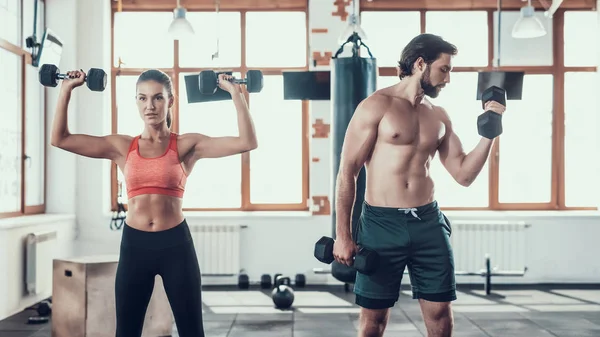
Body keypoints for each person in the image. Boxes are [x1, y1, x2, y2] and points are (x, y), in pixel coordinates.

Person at [50, 69, 258, 337]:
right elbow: (60, 139)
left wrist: (235, 92)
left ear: (170, 101)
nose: (150, 106)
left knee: (192, 331)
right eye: (143, 98)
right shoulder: (122, 146)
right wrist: (66, 88)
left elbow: (247, 141)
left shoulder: (186, 145)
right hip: (135, 247)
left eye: (158, 98)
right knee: (126, 331)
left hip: (175, 247)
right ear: (136, 102)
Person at [332, 33, 506, 337]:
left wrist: (490, 132)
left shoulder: (438, 116)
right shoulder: (376, 106)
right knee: (374, 320)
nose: (447, 79)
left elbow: (464, 174)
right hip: (380, 224)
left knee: (441, 315)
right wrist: (343, 235)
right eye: (444, 69)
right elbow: (348, 172)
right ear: (420, 63)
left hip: (428, 223)